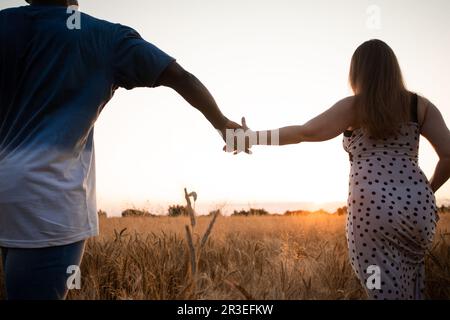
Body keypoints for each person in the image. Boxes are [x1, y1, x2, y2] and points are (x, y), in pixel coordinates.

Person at [0, 0, 242, 300]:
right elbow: (180, 77)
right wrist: (223, 124)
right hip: (48, 203)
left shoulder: (5, 24)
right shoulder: (104, 37)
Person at [234, 39, 450, 299]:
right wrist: (427, 191)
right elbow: (449, 156)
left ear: (357, 72)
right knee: (411, 282)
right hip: (418, 209)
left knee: (380, 288)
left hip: (372, 210)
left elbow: (305, 132)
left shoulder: (354, 107)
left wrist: (251, 137)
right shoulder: (421, 106)